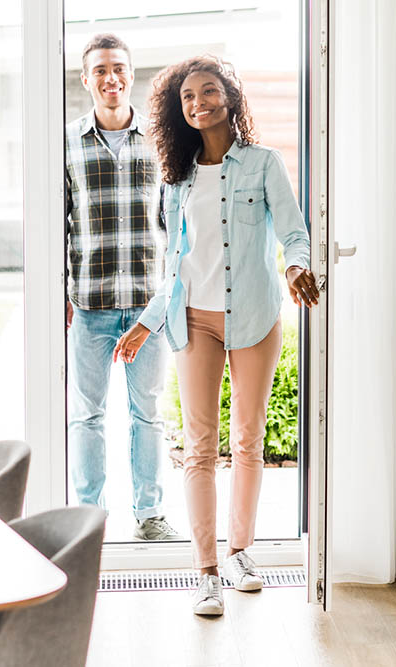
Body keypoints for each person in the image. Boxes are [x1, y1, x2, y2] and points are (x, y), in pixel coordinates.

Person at [114, 56, 319, 615]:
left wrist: (297, 266)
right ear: (178, 112)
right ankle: (205, 571)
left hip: (254, 316)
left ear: (229, 97)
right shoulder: (176, 180)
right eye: (187, 97)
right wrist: (146, 321)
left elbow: (294, 232)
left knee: (248, 440)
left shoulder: (263, 163)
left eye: (208, 91)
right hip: (194, 320)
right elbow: (176, 266)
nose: (197, 101)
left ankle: (240, 554)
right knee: (200, 447)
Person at [65, 33, 178, 541]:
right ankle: (89, 517)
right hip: (87, 302)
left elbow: (176, 225)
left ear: (131, 74)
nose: (111, 78)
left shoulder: (160, 142)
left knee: (148, 415)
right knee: (86, 416)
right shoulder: (66, 142)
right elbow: (56, 222)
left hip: (147, 305)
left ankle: (150, 514)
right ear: (86, 78)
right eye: (101, 70)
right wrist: (57, 294)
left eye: (119, 68)